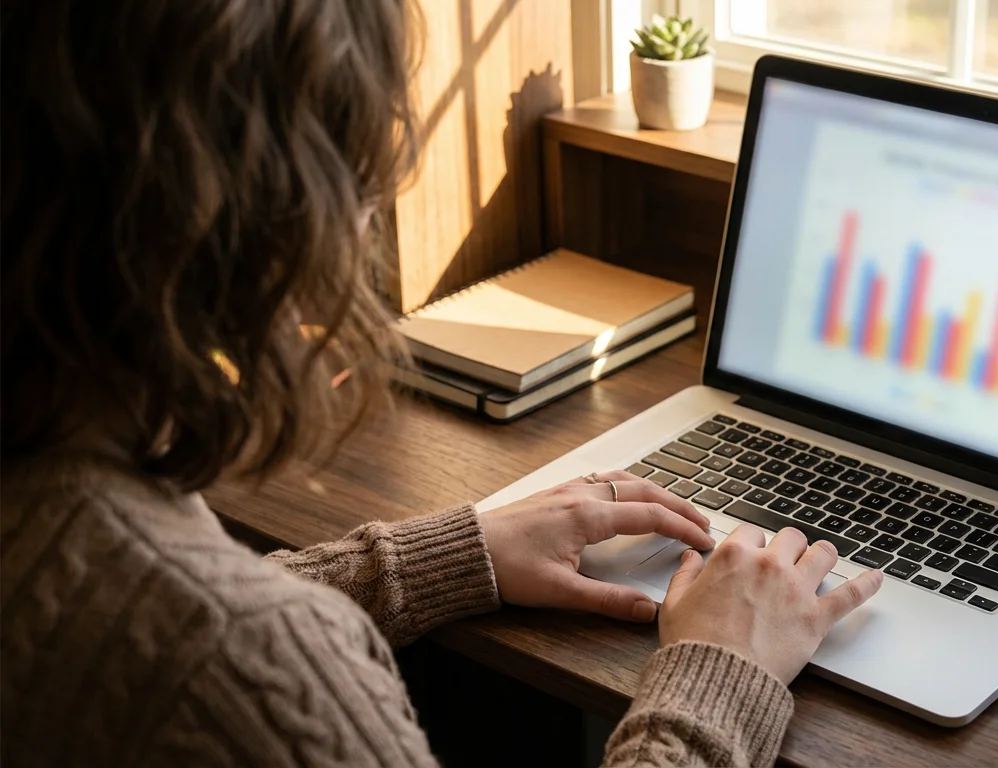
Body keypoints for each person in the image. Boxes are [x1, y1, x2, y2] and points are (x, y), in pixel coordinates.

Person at [0, 1, 884, 766]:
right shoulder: (243, 661)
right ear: (254, 215)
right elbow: (206, 646)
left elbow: (138, 623)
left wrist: (440, 558)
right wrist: (720, 674)